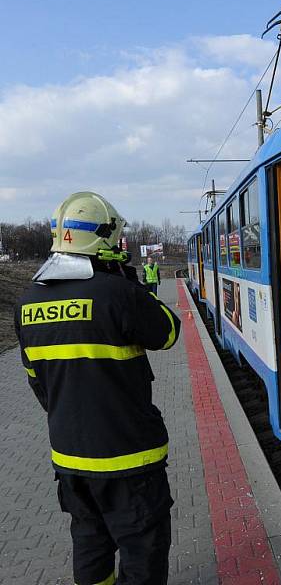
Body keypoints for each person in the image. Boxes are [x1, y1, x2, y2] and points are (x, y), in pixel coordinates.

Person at [14, 192, 180, 585]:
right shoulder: (117, 294)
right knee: (143, 550)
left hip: (70, 457)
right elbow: (168, 332)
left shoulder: (27, 303)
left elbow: (37, 384)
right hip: (129, 457)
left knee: (90, 542)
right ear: (104, 239)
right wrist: (130, 284)